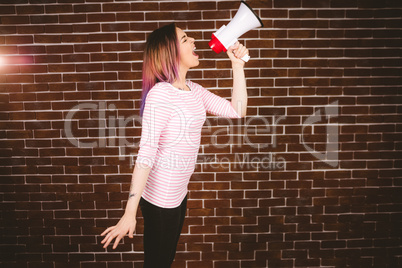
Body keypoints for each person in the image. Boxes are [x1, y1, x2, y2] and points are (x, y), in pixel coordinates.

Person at [101, 22, 248, 267]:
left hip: (179, 195)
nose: (194, 42)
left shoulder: (195, 91)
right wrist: (130, 212)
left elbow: (237, 110)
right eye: (185, 39)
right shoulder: (161, 94)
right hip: (160, 202)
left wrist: (237, 65)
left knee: (165, 261)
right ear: (170, 53)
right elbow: (146, 154)